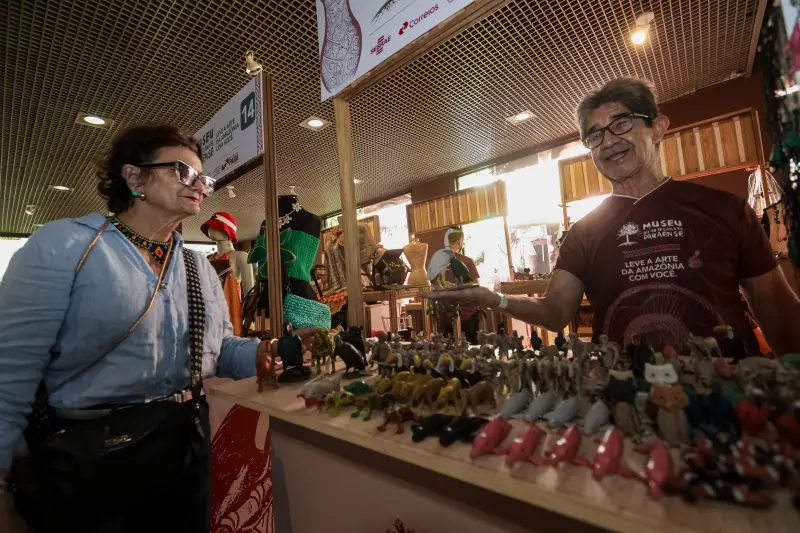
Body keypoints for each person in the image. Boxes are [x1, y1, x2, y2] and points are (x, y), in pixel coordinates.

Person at [0, 124, 278, 533]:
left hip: (184, 446)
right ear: (134, 178)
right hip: (91, 456)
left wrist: (268, 350)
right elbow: (11, 370)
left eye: (203, 178)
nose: (199, 185)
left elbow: (216, 350)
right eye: (183, 171)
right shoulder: (66, 247)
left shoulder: (197, 267)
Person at [424, 78, 800, 355]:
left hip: (731, 399)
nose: (608, 141)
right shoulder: (584, 233)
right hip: (626, 401)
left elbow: (779, 316)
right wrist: (493, 299)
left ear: (658, 128)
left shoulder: (725, 209)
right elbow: (555, 312)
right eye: (595, 135)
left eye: (621, 124)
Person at [437, 227, 481, 344]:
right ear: (460, 241)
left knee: (449, 350)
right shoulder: (468, 261)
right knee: (471, 350)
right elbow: (476, 288)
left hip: (449, 316)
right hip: (466, 315)